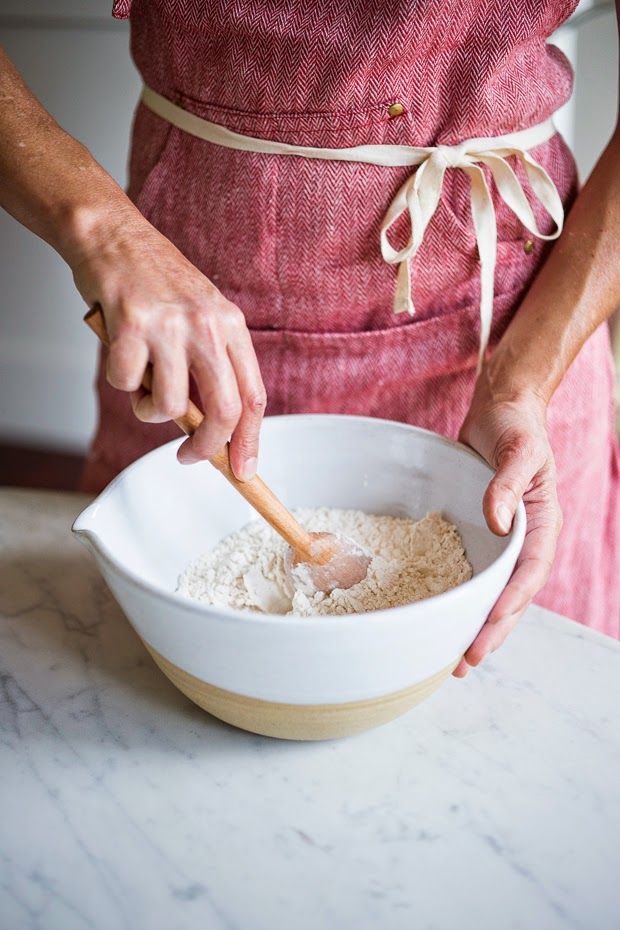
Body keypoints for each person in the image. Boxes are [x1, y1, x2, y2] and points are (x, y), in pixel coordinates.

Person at [1, 0, 618, 675]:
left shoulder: (527, 368)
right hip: (201, 303)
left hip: (532, 317)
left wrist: (523, 386)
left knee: (535, 689)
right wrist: (105, 233)